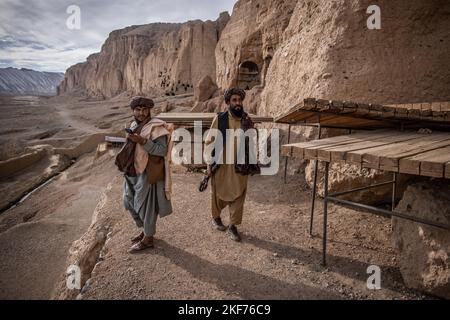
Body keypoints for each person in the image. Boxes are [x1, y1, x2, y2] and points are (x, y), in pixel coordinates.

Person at [122, 96, 173, 253]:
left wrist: (143, 141)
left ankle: (148, 238)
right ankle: (145, 230)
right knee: (129, 200)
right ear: (133, 111)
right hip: (133, 170)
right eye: (138, 110)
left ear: (150, 110)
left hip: (150, 172)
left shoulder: (157, 127)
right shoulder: (134, 125)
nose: (141, 113)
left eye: (145, 110)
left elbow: (162, 150)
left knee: (147, 206)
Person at [205, 88, 257, 242]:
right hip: (221, 165)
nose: (238, 103)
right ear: (228, 102)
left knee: (239, 193)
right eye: (234, 100)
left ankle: (233, 226)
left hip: (240, 165)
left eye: (239, 100)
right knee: (218, 192)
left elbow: (251, 141)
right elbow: (209, 142)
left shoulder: (246, 120)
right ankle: (216, 217)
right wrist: (208, 163)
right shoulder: (220, 119)